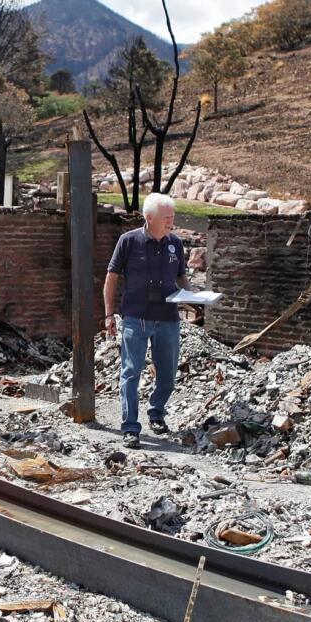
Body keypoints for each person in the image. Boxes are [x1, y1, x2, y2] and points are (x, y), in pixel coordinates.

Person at [104, 192, 191, 448]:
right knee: (131, 373)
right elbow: (111, 278)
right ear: (149, 217)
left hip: (168, 318)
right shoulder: (128, 241)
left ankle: (156, 412)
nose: (171, 222)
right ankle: (130, 427)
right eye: (166, 217)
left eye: (173, 217)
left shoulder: (175, 243)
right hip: (136, 318)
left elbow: (181, 276)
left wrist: (193, 294)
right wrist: (109, 313)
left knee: (168, 374)